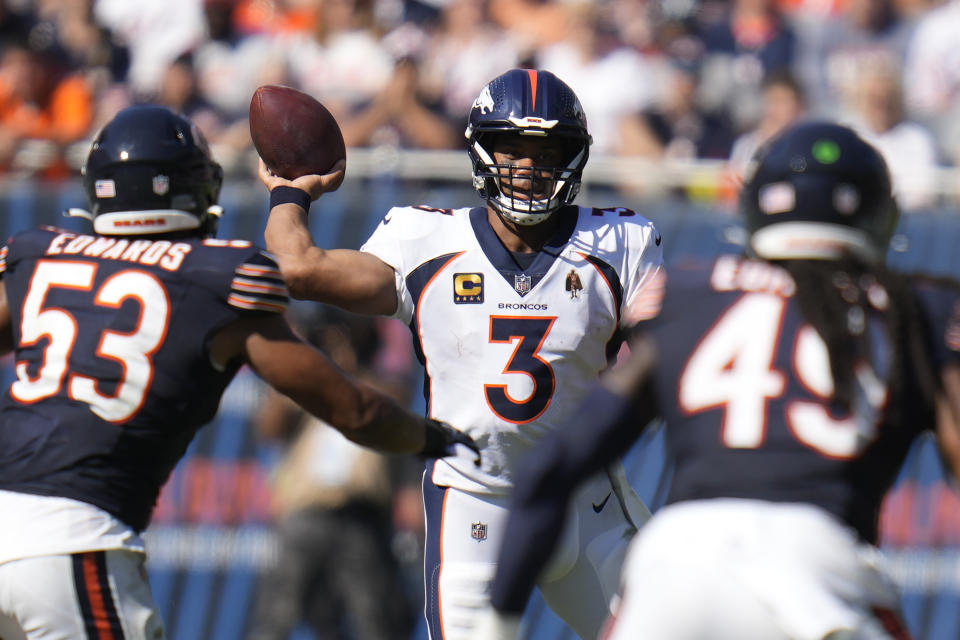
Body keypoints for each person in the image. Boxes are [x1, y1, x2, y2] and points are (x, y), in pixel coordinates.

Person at [0, 104, 476, 640]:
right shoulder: (215, 281)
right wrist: (434, 438)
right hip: (74, 540)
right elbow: (355, 410)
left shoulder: (38, 256)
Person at [480, 121, 960, 639]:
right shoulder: (916, 309)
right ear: (879, 216)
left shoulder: (688, 295)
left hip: (673, 570)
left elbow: (553, 468)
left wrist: (499, 623)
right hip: (817, 570)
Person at [259, 68, 664, 640]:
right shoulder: (425, 239)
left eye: (546, 151)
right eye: (512, 149)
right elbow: (299, 268)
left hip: (585, 498)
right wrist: (290, 191)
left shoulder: (621, 242)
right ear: (481, 153)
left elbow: (666, 354)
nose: (527, 167)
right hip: (476, 499)